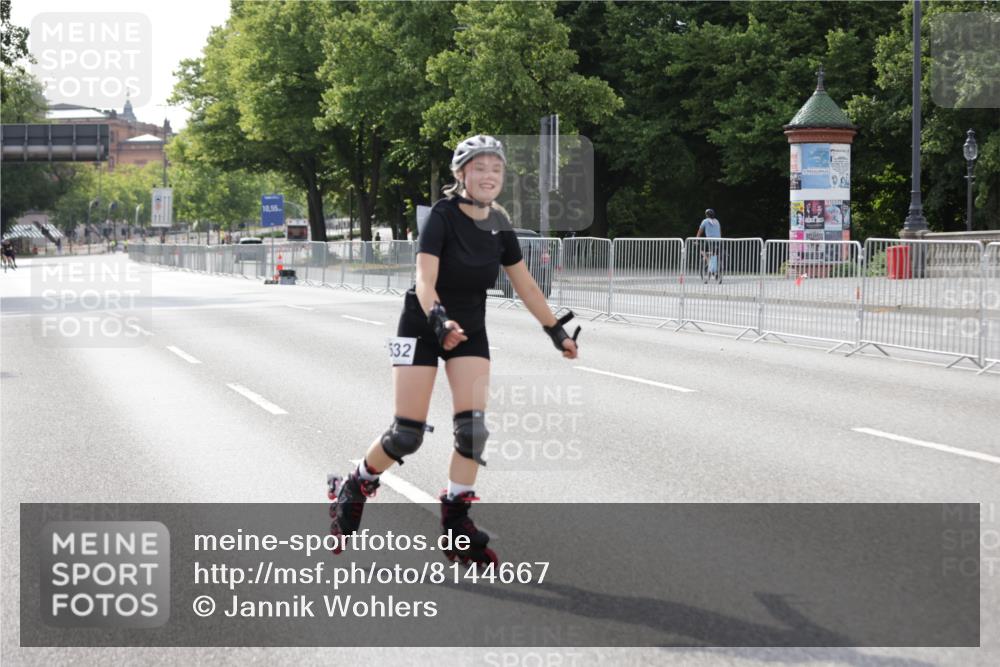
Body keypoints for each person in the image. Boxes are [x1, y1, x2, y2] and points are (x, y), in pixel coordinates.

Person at [327, 134, 580, 566]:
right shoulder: (442, 217)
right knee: (406, 434)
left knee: (473, 431)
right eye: (479, 168)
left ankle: (456, 523)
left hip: (471, 330)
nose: (488, 176)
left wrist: (556, 331)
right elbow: (425, 280)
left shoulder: (499, 223)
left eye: (496, 169)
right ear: (461, 173)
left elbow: (527, 285)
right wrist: (439, 320)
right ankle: (356, 484)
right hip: (422, 324)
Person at [696, 208, 721, 277]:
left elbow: (700, 231)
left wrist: (696, 240)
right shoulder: (717, 221)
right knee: (714, 254)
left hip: (710, 241)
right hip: (718, 241)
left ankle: (709, 263)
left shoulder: (705, 221)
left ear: (707, 215)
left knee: (702, 250)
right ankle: (715, 271)